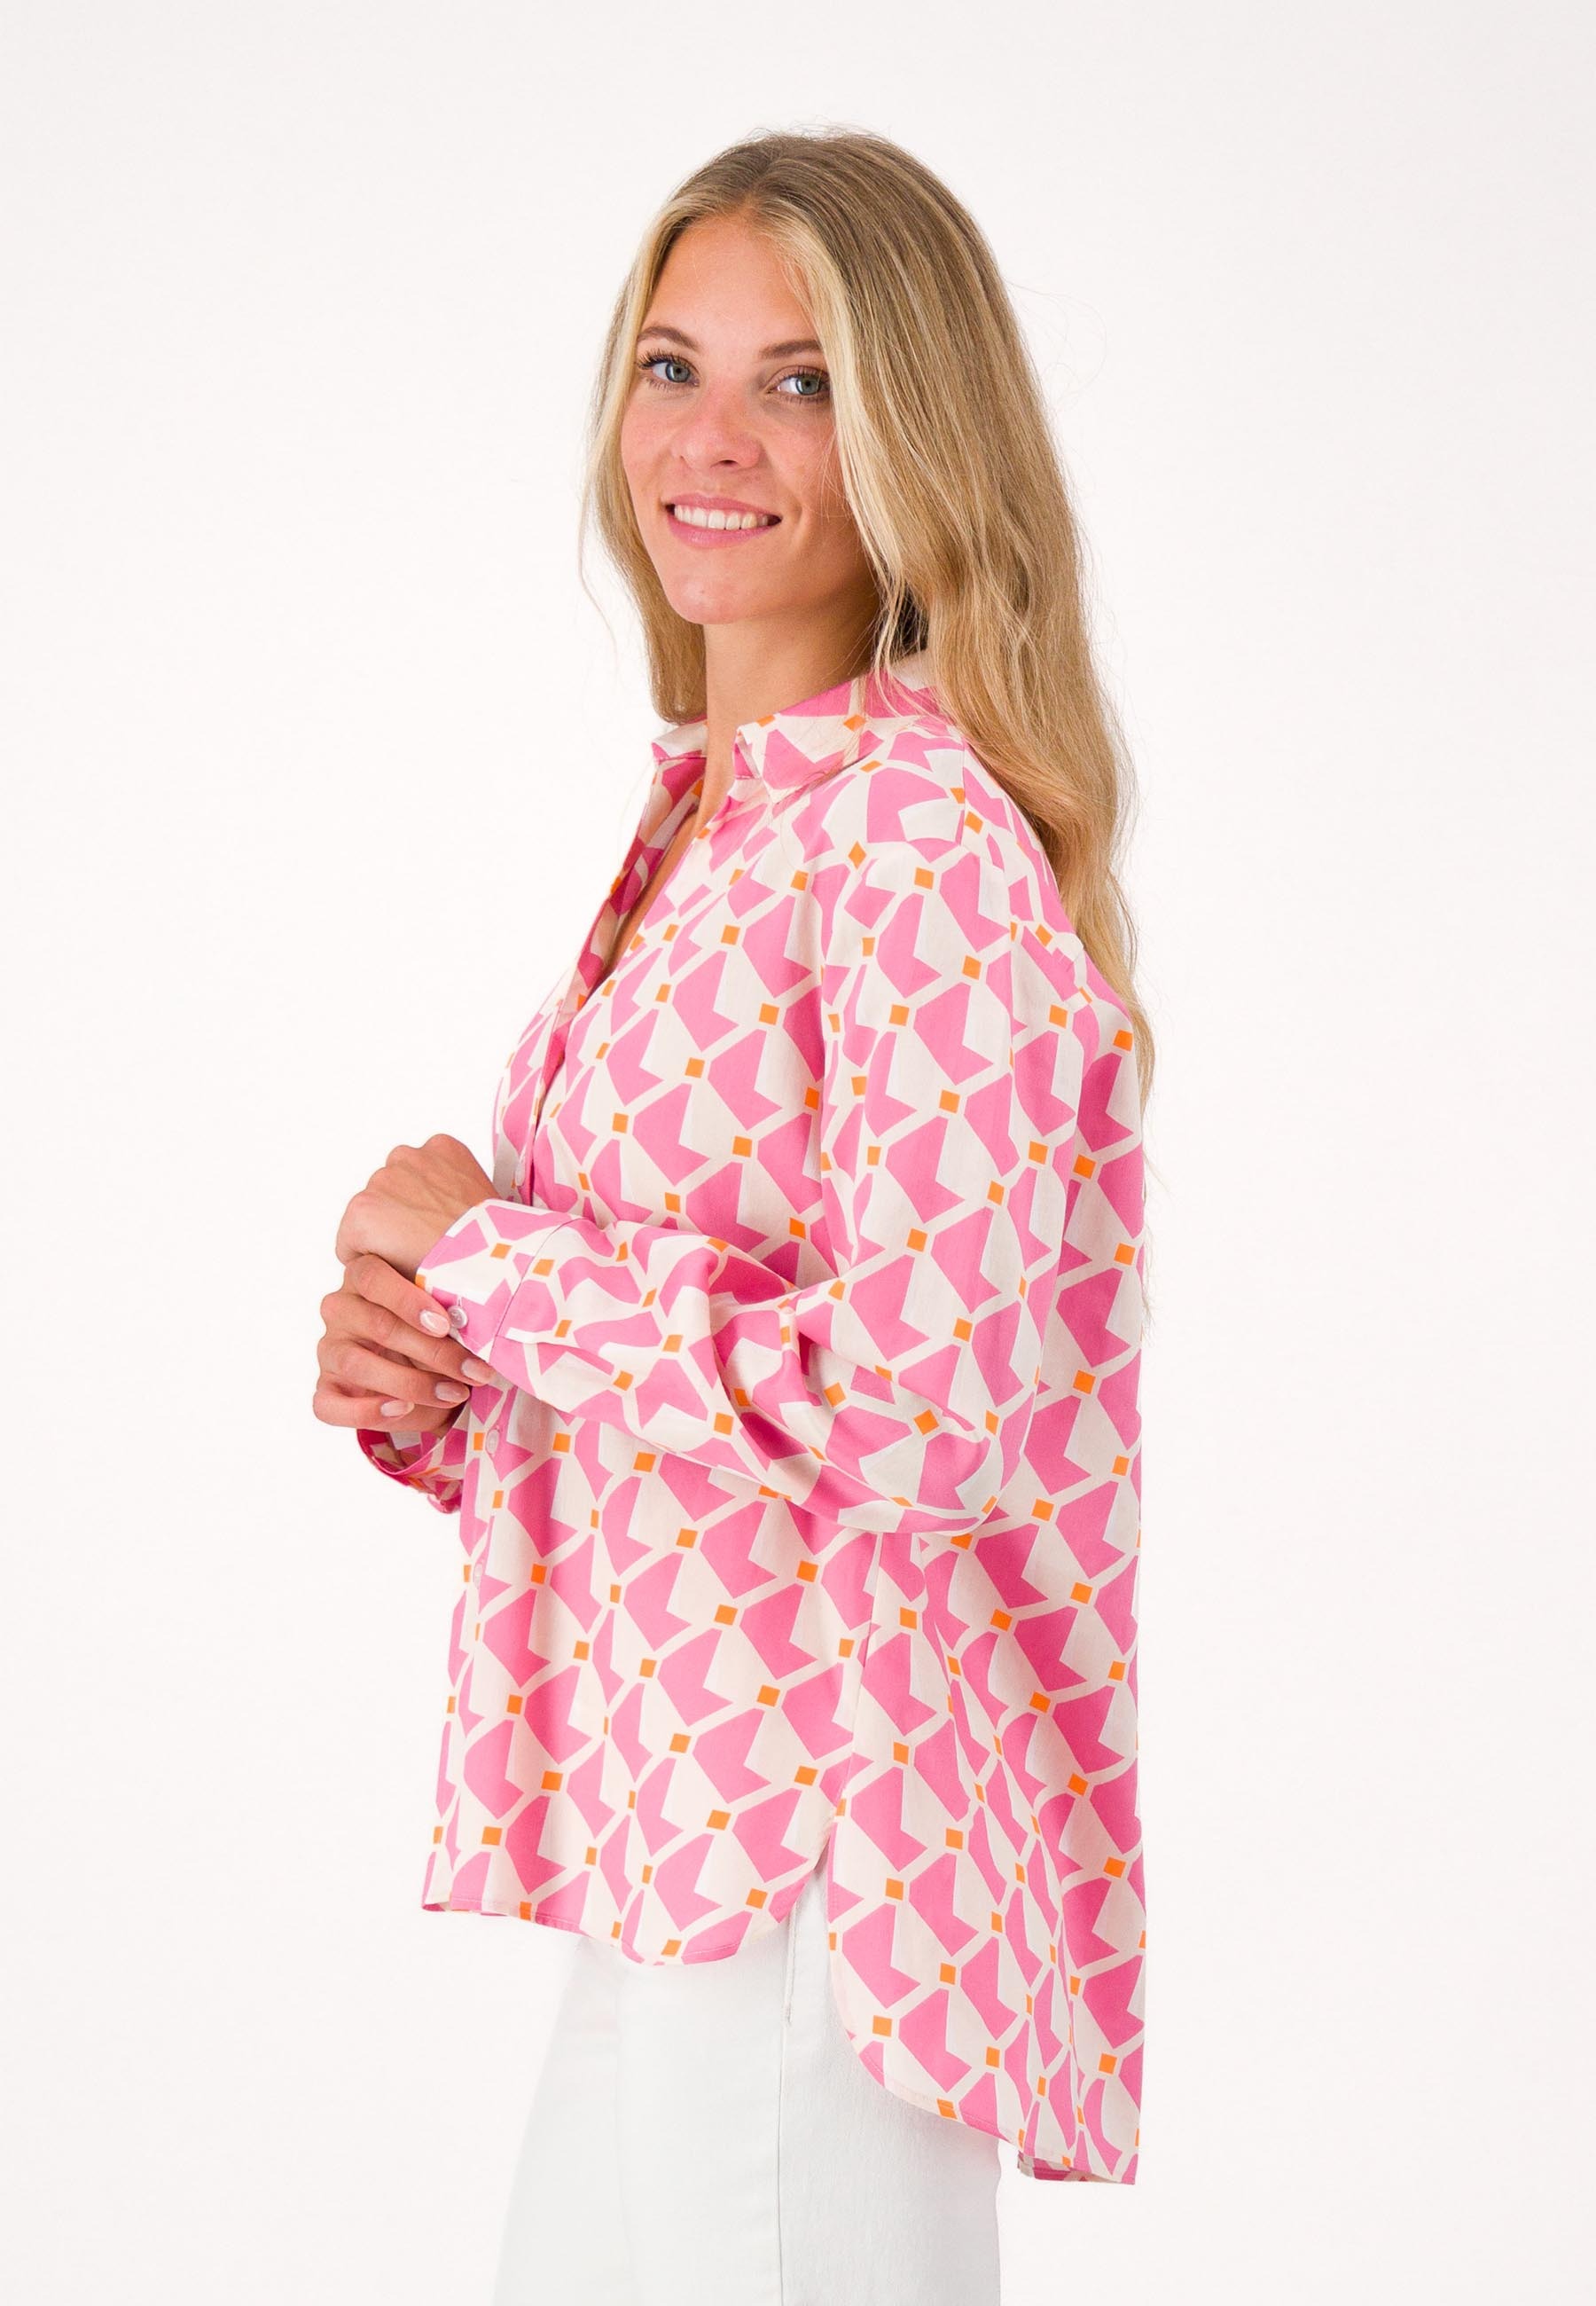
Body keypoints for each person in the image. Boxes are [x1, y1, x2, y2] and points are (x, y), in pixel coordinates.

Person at [313, 126, 1153, 2305]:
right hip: (670, 1850)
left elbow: (921, 1415)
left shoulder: (920, 846)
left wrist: (500, 1262)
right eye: (672, 365)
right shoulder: (720, 828)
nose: (710, 436)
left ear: (915, 439)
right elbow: (681, 1409)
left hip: (824, 1873)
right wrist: (442, 1377)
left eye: (801, 383)